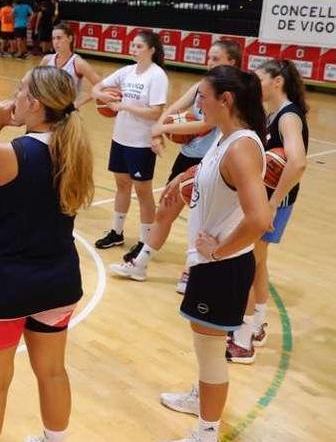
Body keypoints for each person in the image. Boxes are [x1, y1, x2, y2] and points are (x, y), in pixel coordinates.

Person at [0, 67, 94, 442]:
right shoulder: (75, 150)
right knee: (53, 372)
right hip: (58, 281)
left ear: (34, 104)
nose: (13, 96)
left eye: (19, 90)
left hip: (3, 287)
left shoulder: (4, 153)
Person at [158, 65, 271, 442]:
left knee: (210, 353)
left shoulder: (241, 148)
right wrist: (182, 179)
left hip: (221, 267)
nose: (197, 105)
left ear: (227, 100)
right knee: (205, 345)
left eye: (202, 97)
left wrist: (220, 250)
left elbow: (260, 219)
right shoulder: (227, 138)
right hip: (209, 264)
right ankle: (199, 399)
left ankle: (207, 431)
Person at [110, 41, 243, 289]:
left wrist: (163, 128)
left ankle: (191, 271)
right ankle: (141, 262)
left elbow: (206, 125)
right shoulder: (202, 85)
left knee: (201, 220)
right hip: (187, 157)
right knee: (166, 207)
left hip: (214, 161)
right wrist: (157, 132)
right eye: (209, 57)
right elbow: (172, 108)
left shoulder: (232, 94)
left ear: (232, 62)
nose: (209, 62)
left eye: (216, 58)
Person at [225, 59, 309, 363]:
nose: (253, 84)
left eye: (259, 79)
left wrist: (272, 204)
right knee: (258, 263)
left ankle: (244, 340)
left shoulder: (288, 117)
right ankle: (257, 324)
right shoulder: (271, 113)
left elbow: (297, 162)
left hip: (274, 202)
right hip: (268, 199)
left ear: (277, 82)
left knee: (249, 263)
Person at [91, 30, 169, 252]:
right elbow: (96, 88)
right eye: (132, 46)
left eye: (138, 46)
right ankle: (116, 232)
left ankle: (145, 241)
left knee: (143, 192)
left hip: (142, 143)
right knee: (121, 185)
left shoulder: (157, 76)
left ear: (152, 50)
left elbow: (155, 112)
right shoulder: (126, 72)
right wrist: (103, 96)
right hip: (120, 138)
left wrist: (123, 105)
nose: (133, 49)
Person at [39, 23, 102, 108]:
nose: (56, 42)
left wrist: (78, 103)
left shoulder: (78, 63)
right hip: (47, 109)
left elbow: (101, 85)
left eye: (59, 38)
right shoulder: (47, 60)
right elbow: (34, 84)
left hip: (66, 112)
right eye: (53, 38)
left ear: (70, 38)